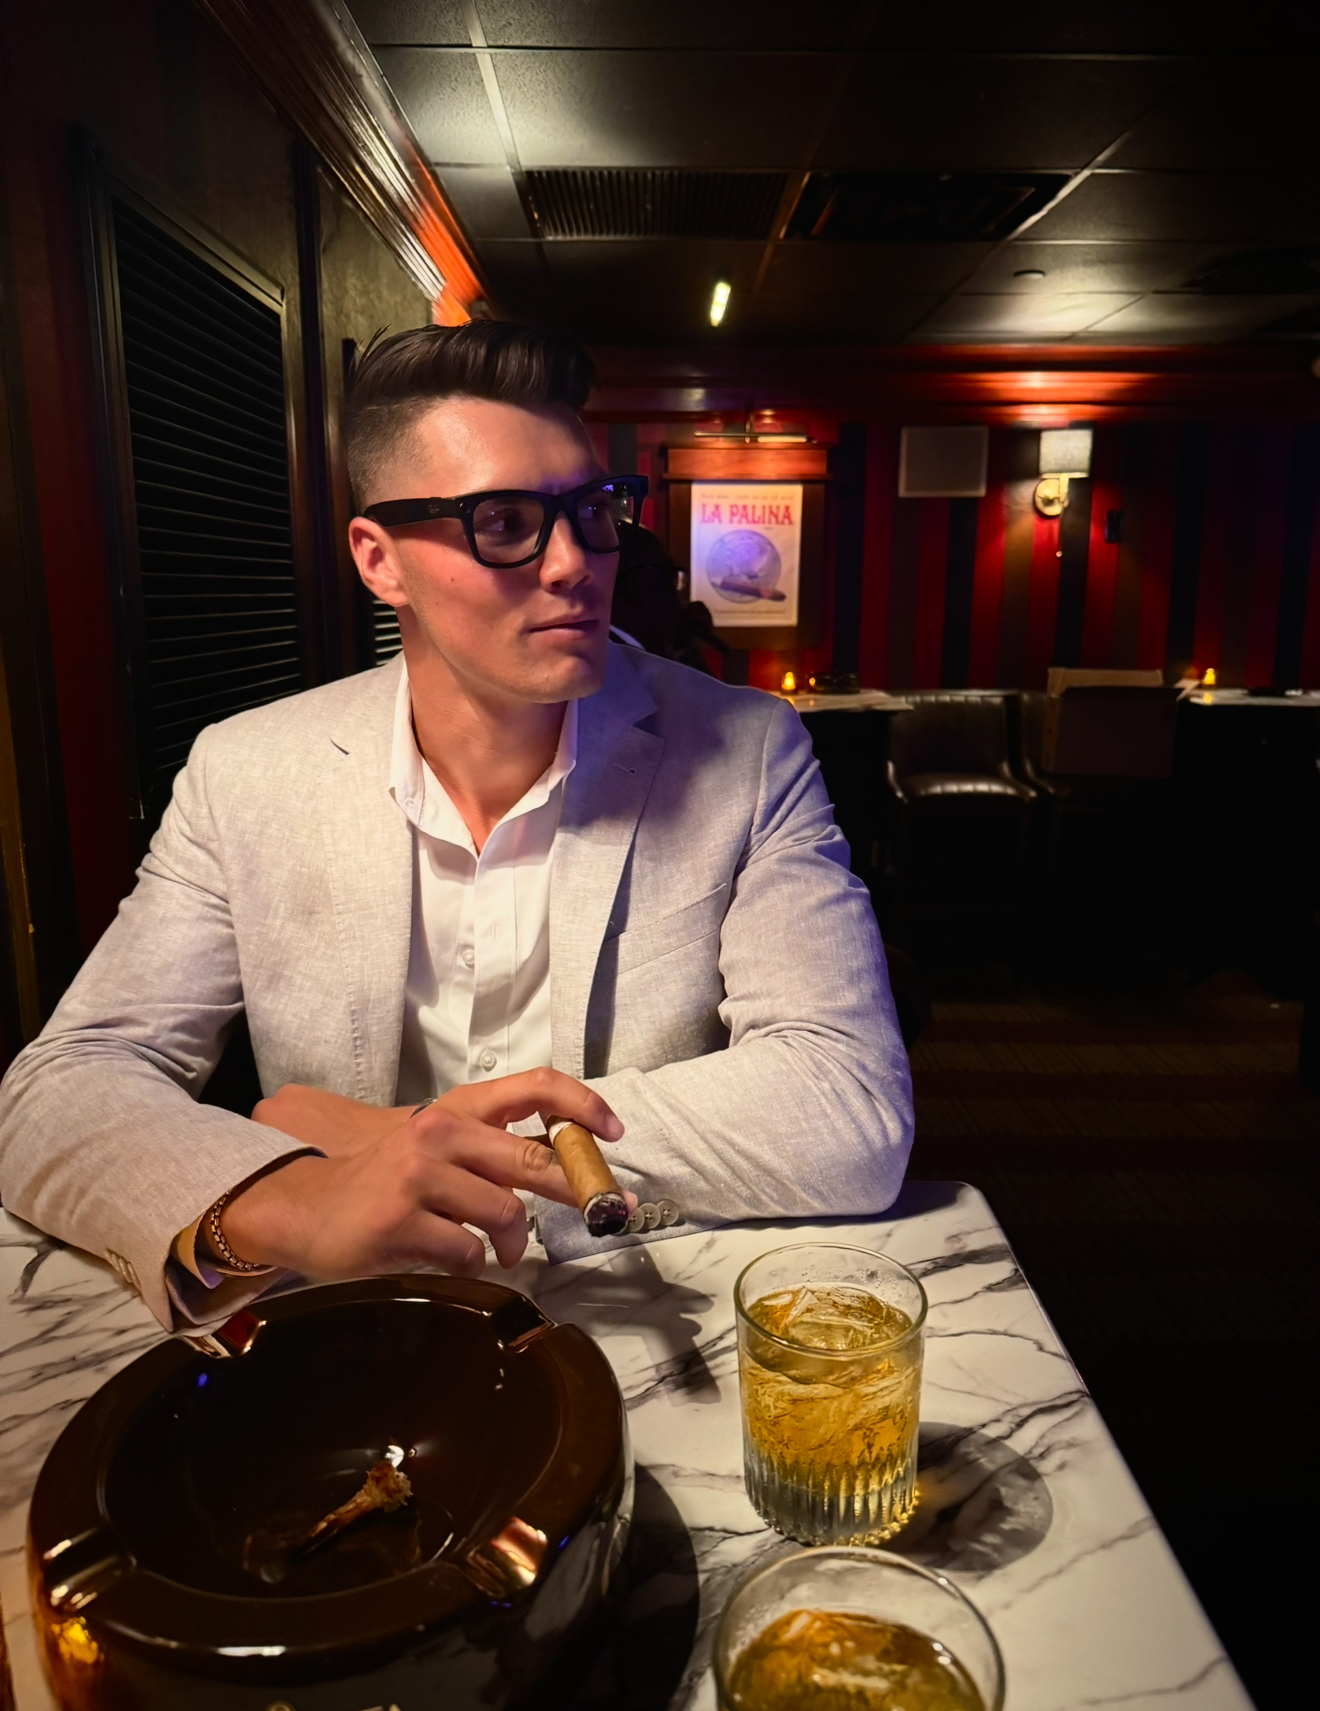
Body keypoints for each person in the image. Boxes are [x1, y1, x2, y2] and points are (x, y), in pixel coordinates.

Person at [0, 323, 912, 1331]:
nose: (575, 564)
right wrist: (292, 1198)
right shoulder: (245, 771)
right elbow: (62, 1086)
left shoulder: (746, 748)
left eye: (593, 511)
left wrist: (392, 1141)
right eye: (506, 520)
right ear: (379, 560)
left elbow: (846, 1106)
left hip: (630, 1319)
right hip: (349, 1335)